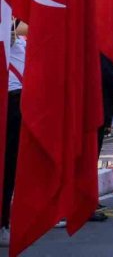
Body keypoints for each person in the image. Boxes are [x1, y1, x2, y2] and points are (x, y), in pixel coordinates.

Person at [1, 20, 26, 246]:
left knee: (9, 168)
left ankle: (3, 223)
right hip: (6, 102)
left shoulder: (20, 42)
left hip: (18, 103)